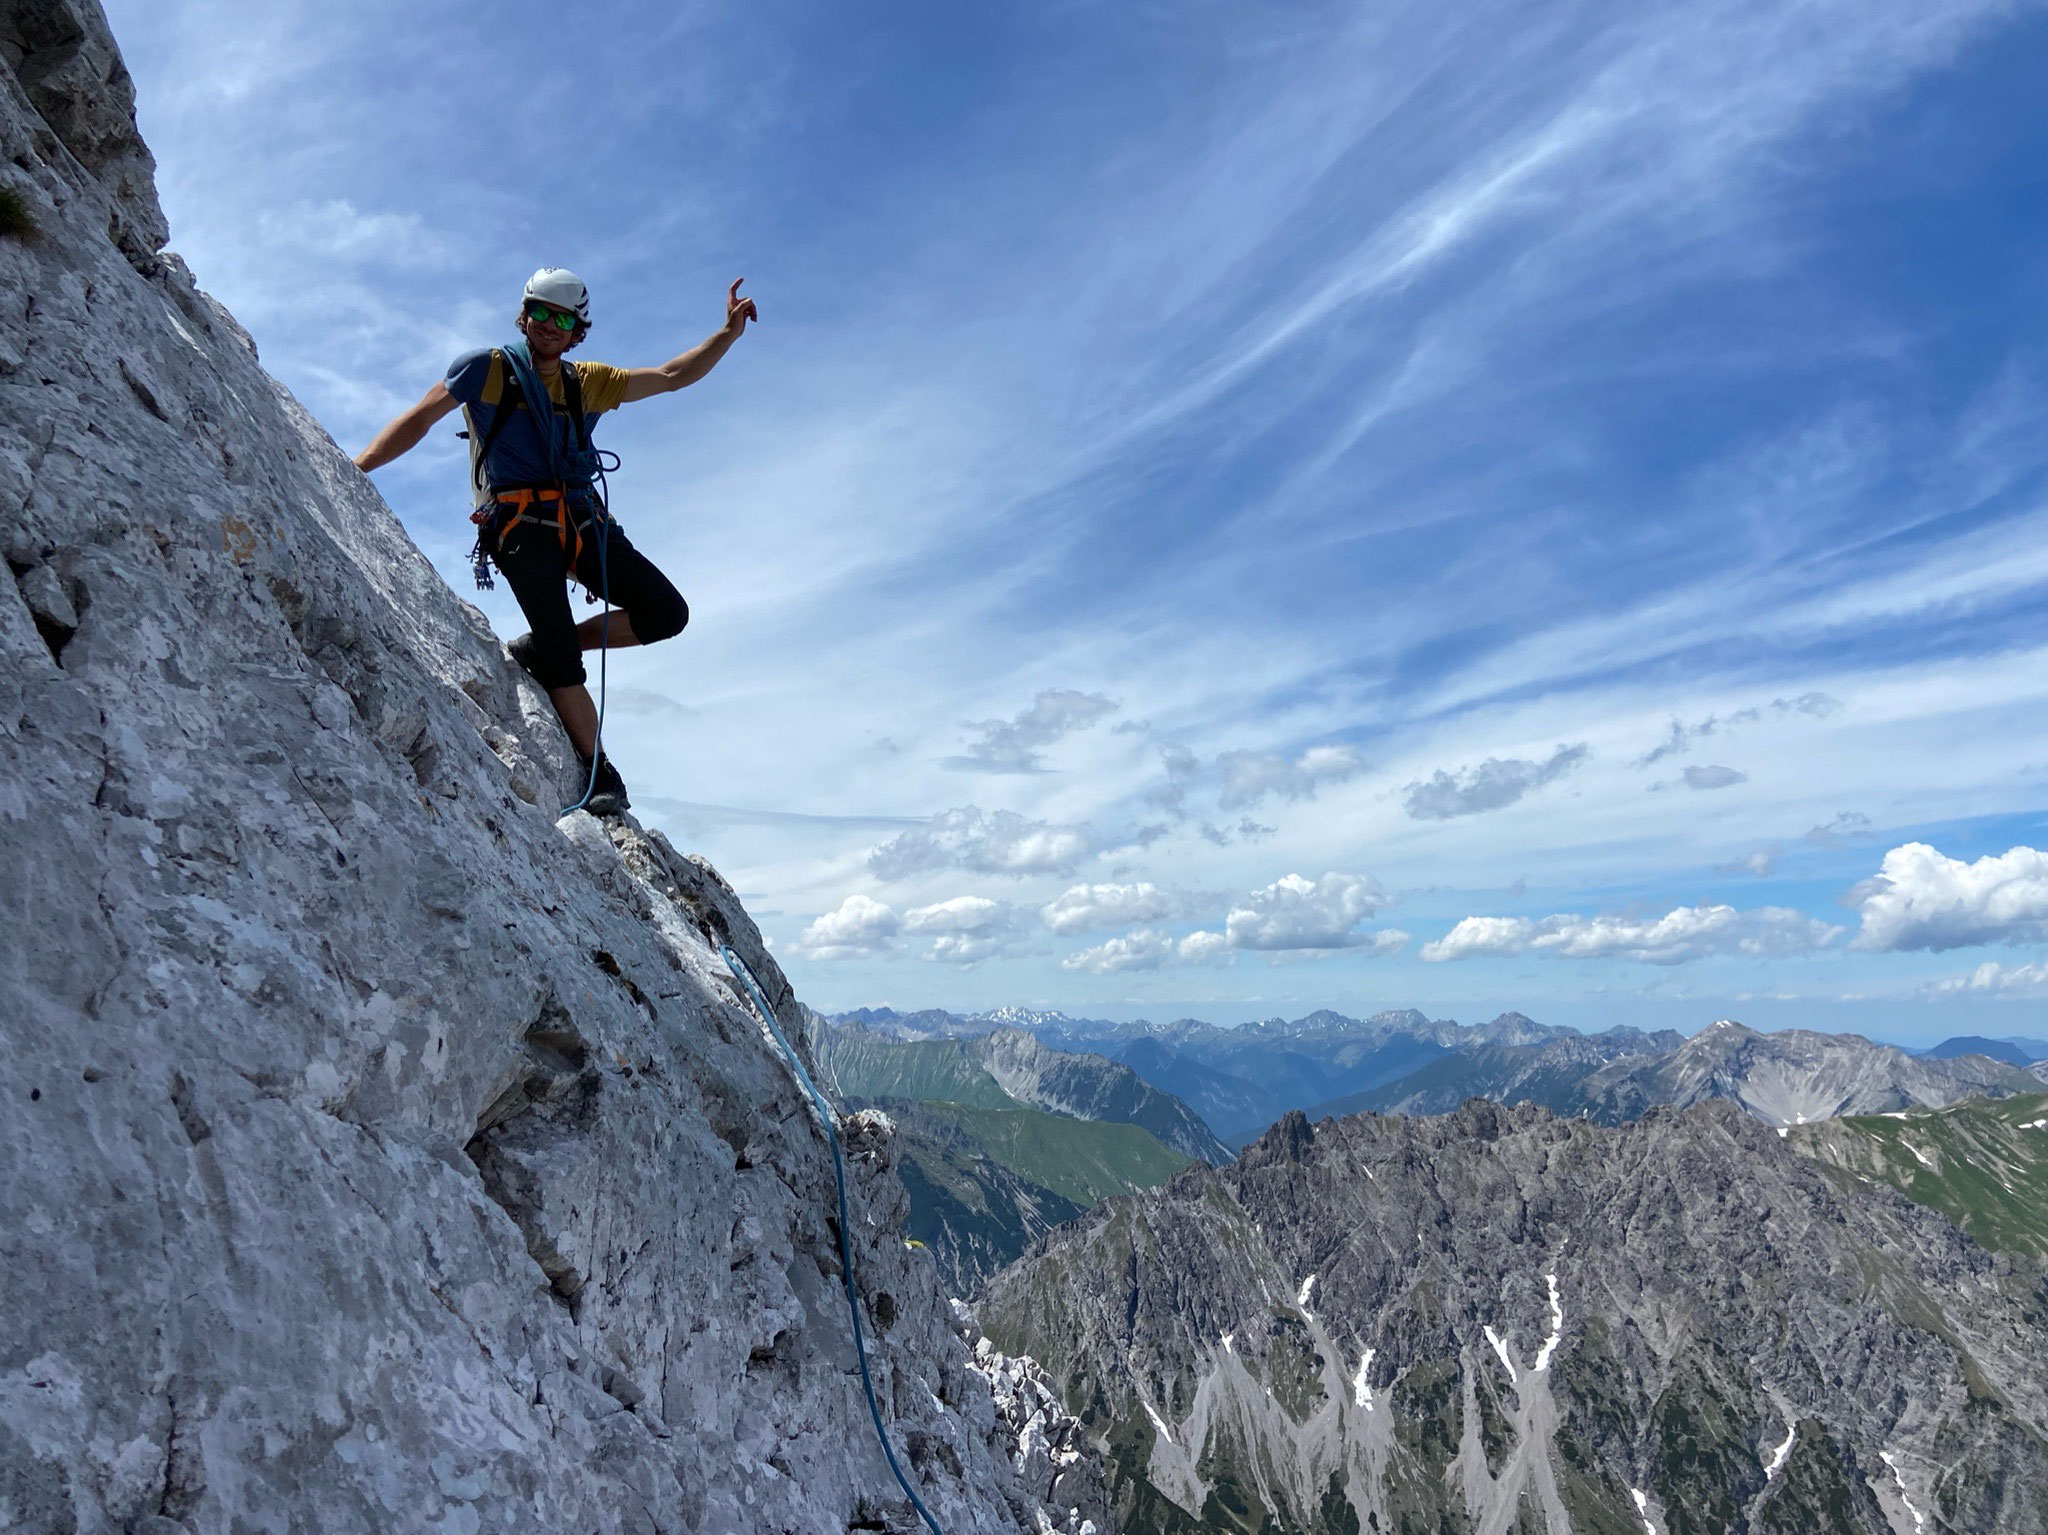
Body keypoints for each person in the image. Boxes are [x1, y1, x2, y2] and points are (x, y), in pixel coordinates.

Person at [355, 267, 757, 815]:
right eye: (539, 312)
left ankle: (546, 648)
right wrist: (356, 467)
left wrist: (726, 337)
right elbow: (421, 418)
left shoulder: (586, 382)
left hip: (579, 519)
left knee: (666, 612)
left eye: (561, 318)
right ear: (524, 315)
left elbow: (669, 375)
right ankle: (599, 769)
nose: (548, 324)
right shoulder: (486, 370)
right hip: (518, 526)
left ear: (576, 331)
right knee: (565, 658)